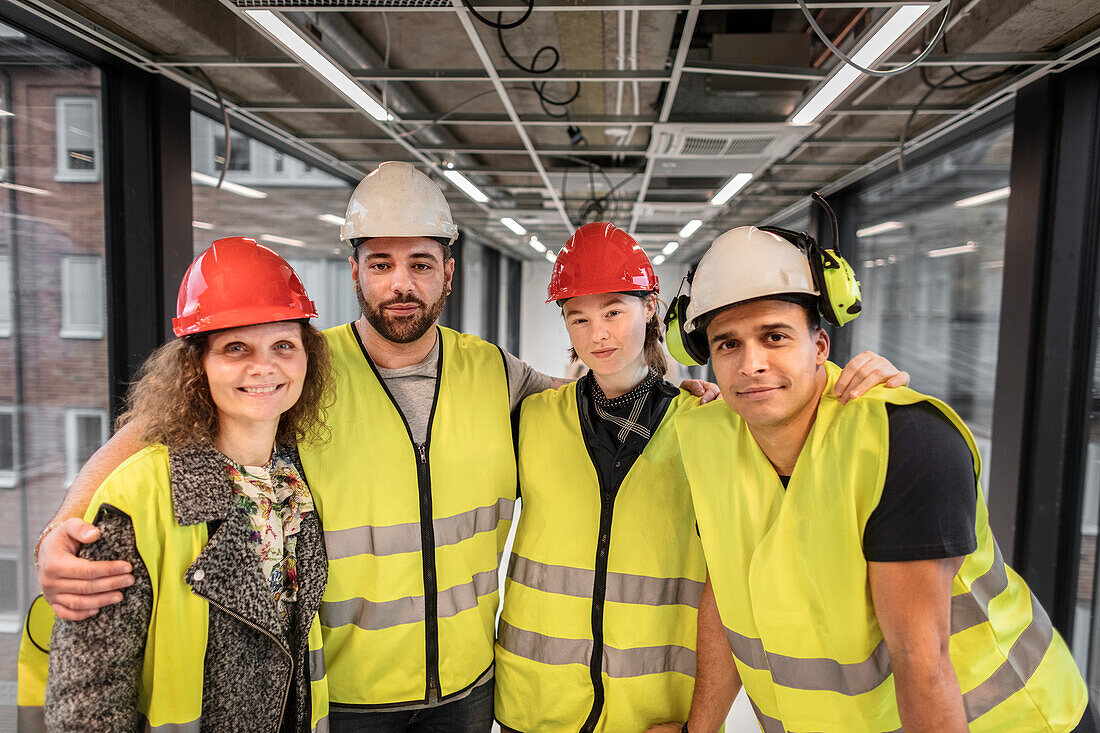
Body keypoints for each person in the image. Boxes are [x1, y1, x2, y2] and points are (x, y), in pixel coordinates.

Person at [31, 162, 720, 732]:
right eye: (381, 262)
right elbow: (159, 424)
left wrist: (688, 389)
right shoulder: (303, 369)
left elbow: (598, 395)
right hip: (348, 695)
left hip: (469, 689)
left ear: (448, 271)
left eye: (421, 263)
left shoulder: (498, 376)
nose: (401, 283)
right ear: (355, 269)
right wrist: (64, 527)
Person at [649, 225, 1089, 732]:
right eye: (728, 345)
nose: (752, 364)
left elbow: (923, 666)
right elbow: (723, 594)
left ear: (819, 346)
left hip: (1009, 720)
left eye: (774, 336)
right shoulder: (710, 440)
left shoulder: (905, 442)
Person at [495, 223, 909, 733]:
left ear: (651, 307)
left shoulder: (707, 425)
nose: (597, 334)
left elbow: (795, 422)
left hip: (651, 707)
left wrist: (863, 381)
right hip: (534, 699)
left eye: (614, 312)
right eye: (577, 318)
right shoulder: (533, 418)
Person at [19, 237, 333, 731]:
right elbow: (87, 698)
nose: (264, 366)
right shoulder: (138, 496)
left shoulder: (295, 477)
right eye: (236, 348)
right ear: (196, 367)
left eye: (283, 345)